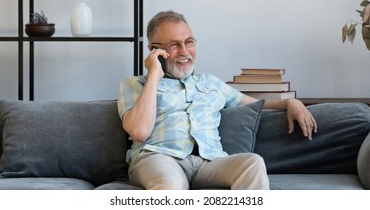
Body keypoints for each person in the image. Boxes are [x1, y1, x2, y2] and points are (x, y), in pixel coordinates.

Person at [117, 10, 317, 190]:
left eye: (189, 42)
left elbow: (256, 104)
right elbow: (139, 131)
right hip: (159, 157)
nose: (185, 52)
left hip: (209, 161)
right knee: (171, 185)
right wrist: (154, 74)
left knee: (252, 163)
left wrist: (292, 103)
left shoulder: (211, 83)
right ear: (154, 50)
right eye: (174, 45)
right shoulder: (135, 85)